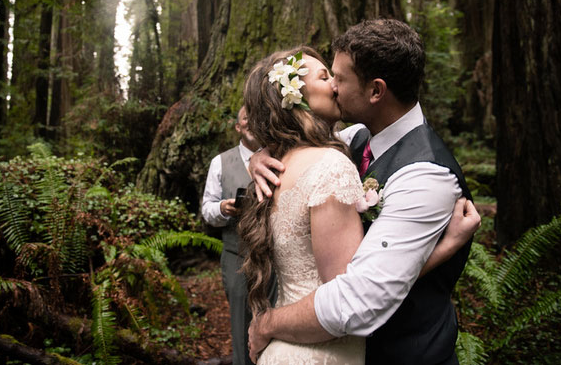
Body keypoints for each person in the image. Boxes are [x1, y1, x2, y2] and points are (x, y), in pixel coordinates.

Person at [248, 19, 477, 364]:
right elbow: (298, 151)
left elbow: (361, 298)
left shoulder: (426, 175)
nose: (333, 89)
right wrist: (260, 156)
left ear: (375, 91)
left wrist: (267, 324)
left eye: (338, 78)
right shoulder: (355, 139)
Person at [201, 106, 261, 365]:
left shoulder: (282, 155)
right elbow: (207, 209)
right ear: (238, 126)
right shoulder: (221, 162)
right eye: (245, 118)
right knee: (241, 326)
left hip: (274, 257)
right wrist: (223, 209)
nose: (250, 122)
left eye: (255, 116)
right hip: (236, 256)